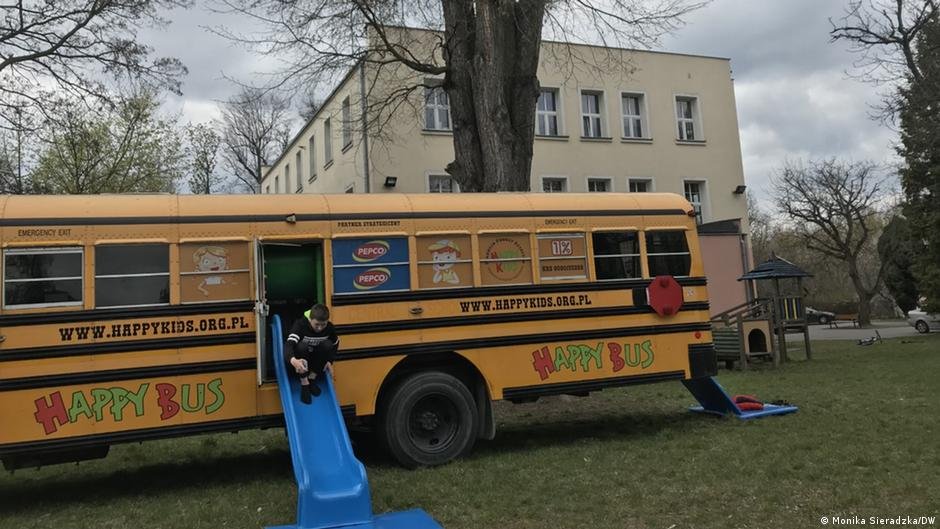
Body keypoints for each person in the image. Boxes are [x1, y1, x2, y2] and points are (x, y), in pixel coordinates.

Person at [285, 303, 339, 404]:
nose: (320, 328)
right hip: (300, 360)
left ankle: (312, 378)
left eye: (323, 324)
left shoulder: (329, 328)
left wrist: (330, 361)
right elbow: (289, 345)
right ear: (310, 319)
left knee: (327, 344)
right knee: (302, 346)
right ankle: (304, 382)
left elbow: (335, 343)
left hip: (316, 362)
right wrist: (293, 360)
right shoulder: (300, 325)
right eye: (316, 324)